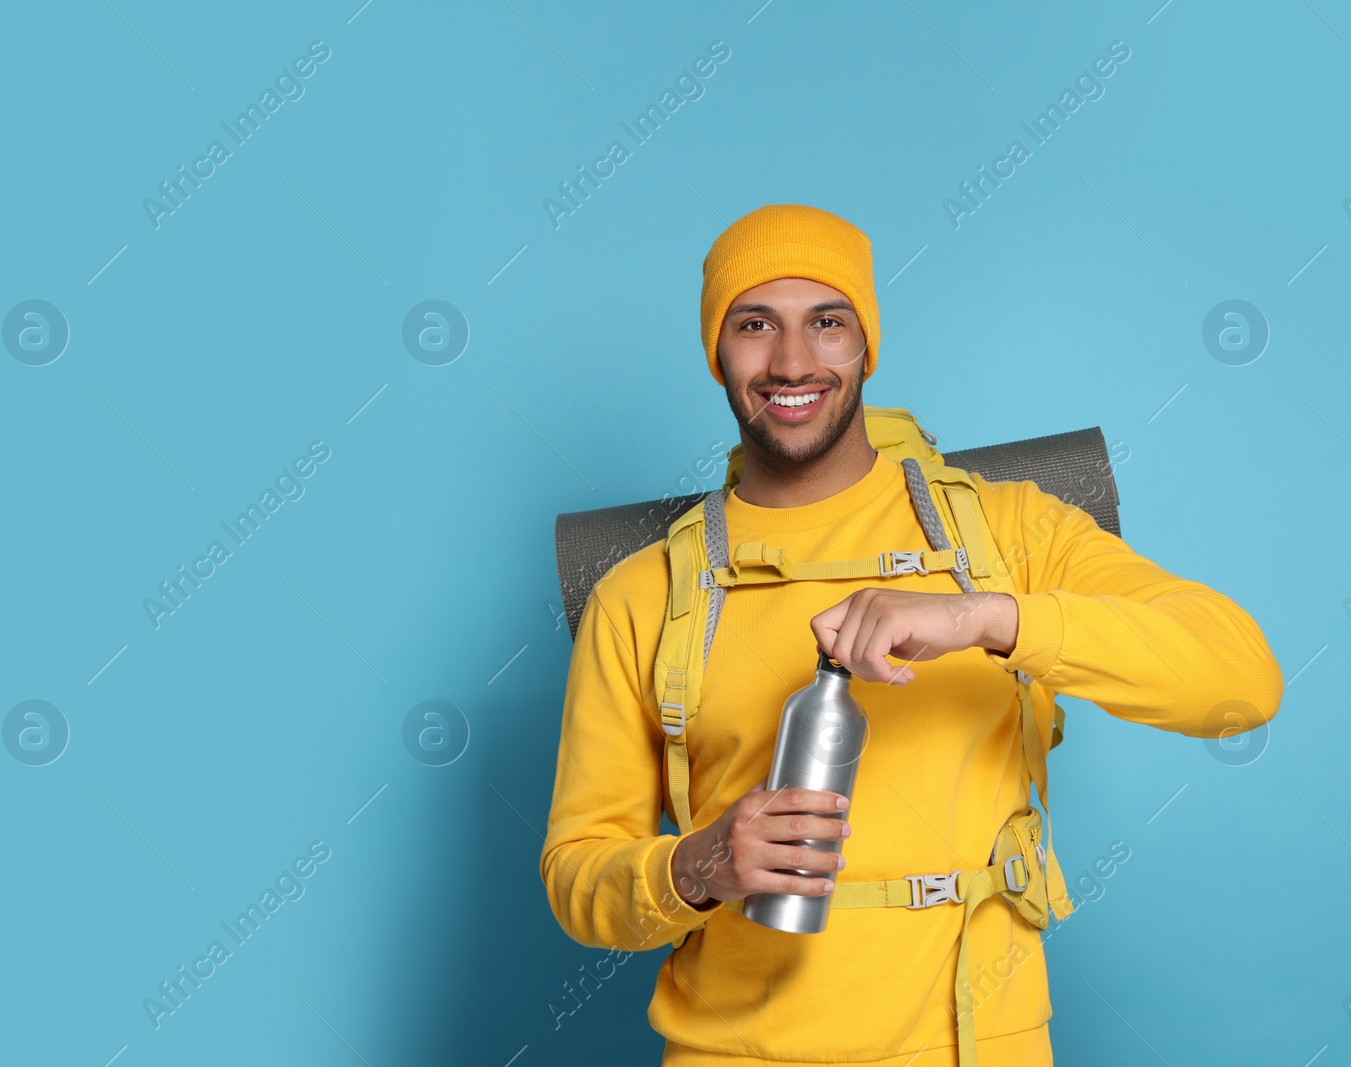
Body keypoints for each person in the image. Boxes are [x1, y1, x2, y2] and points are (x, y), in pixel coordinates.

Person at [539, 203, 1282, 1066]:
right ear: (718, 351)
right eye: (754, 325)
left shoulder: (1007, 533)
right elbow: (575, 874)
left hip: (980, 1045)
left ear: (867, 342)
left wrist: (987, 616)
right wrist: (700, 865)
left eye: (828, 322)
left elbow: (1241, 681)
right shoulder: (642, 593)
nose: (791, 361)